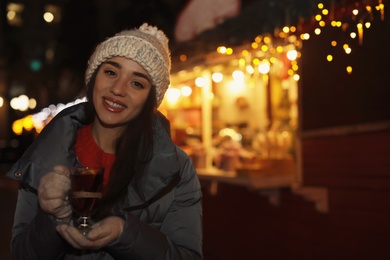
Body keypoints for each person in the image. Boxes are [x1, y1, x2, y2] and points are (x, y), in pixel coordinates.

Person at [6, 23, 203, 259]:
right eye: (111, 72)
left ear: (150, 100)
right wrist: (52, 215)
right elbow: (22, 254)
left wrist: (125, 233)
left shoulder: (176, 168)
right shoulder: (47, 155)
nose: (118, 89)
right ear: (93, 77)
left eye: (137, 83)